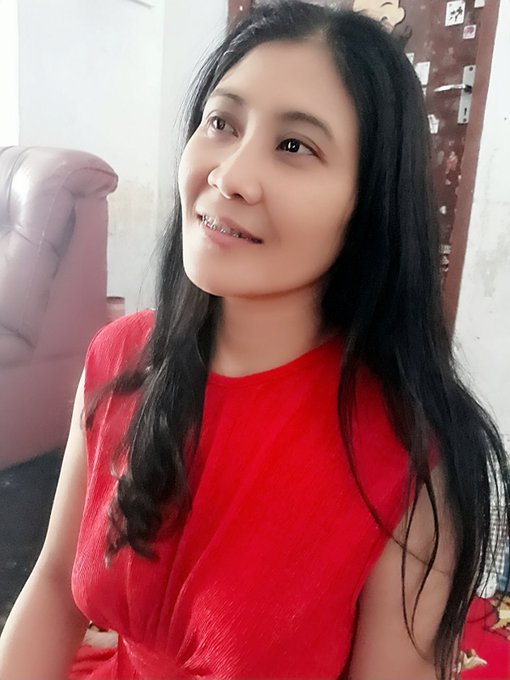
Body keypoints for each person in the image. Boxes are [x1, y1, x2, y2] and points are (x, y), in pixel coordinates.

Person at [0, 2, 509, 679]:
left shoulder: (409, 452)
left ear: (369, 202)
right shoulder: (121, 357)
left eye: (294, 146)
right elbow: (52, 587)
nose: (229, 176)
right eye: (222, 123)